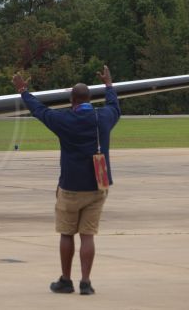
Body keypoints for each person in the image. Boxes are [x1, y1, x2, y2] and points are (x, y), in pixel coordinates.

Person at [12, 66, 120, 295]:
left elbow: (39, 110)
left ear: (72, 100)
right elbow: (114, 107)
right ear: (90, 98)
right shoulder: (103, 118)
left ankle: (66, 280)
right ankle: (86, 282)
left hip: (70, 186)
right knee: (88, 235)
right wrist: (109, 86)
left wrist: (24, 91)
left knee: (67, 234)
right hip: (97, 185)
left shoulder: (64, 120)